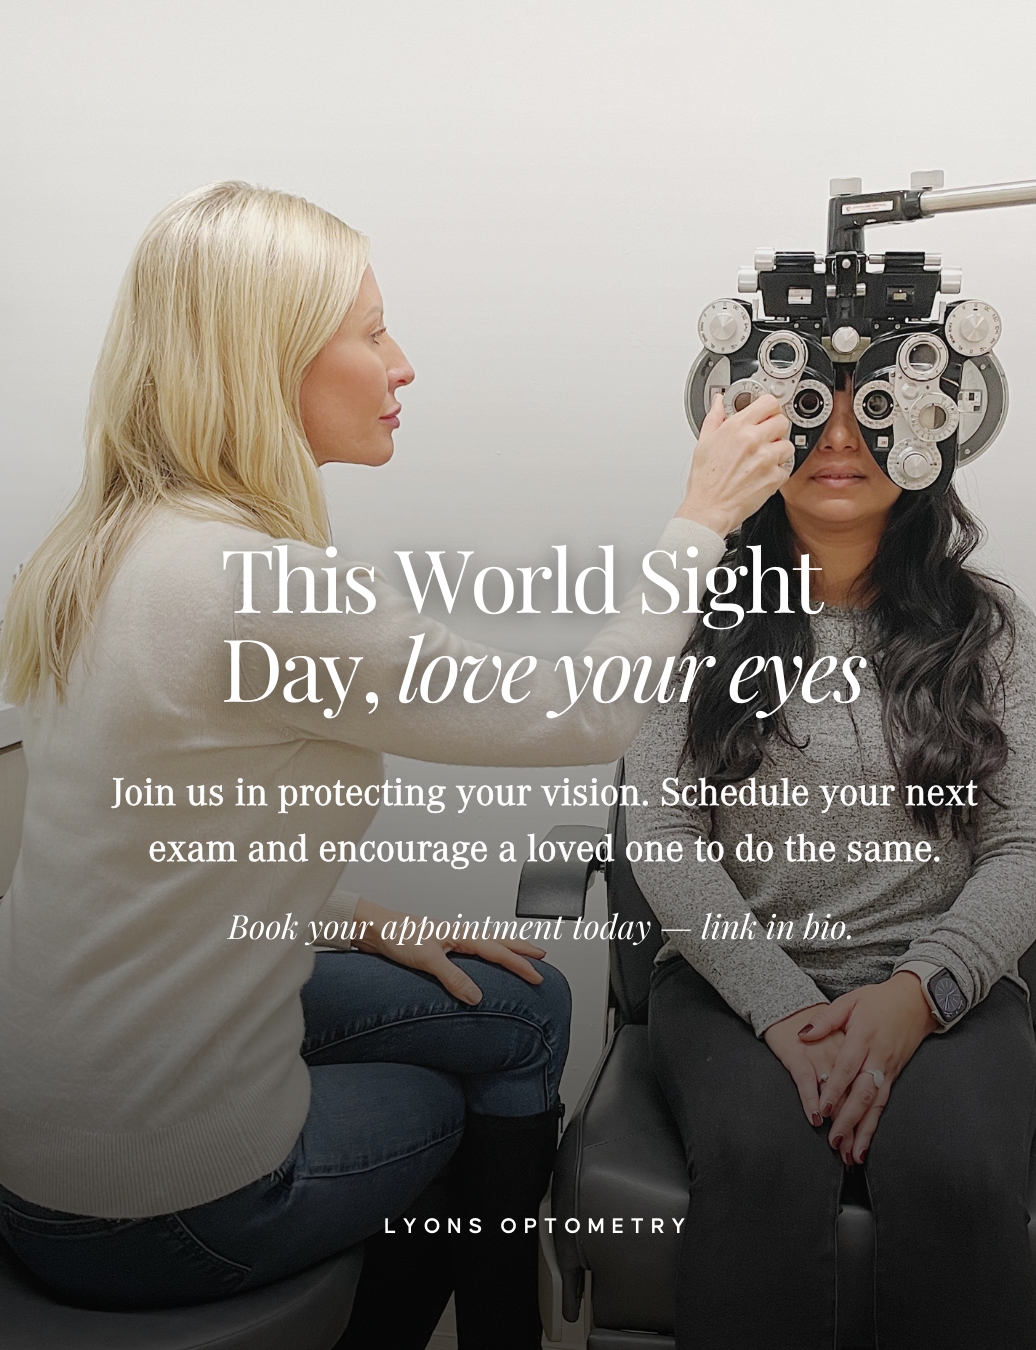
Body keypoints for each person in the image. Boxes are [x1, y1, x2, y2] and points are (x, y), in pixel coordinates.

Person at [0, 181, 794, 1349]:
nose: (403, 363)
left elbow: (163, 837)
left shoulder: (104, 551)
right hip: (151, 1209)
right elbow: (571, 717)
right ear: (264, 357)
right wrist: (705, 517)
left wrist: (362, 915)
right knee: (451, 1100)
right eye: (372, 333)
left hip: (45, 1136)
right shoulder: (252, 588)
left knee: (522, 998)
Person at [624, 372, 1036, 1350]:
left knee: (957, 1171)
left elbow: (1027, 848)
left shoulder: (992, 631)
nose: (838, 440)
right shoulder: (692, 621)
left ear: (929, 435)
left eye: (874, 412)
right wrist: (780, 1007)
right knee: (761, 1161)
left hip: (937, 985)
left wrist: (918, 995)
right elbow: (660, 839)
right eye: (807, 411)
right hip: (734, 982)